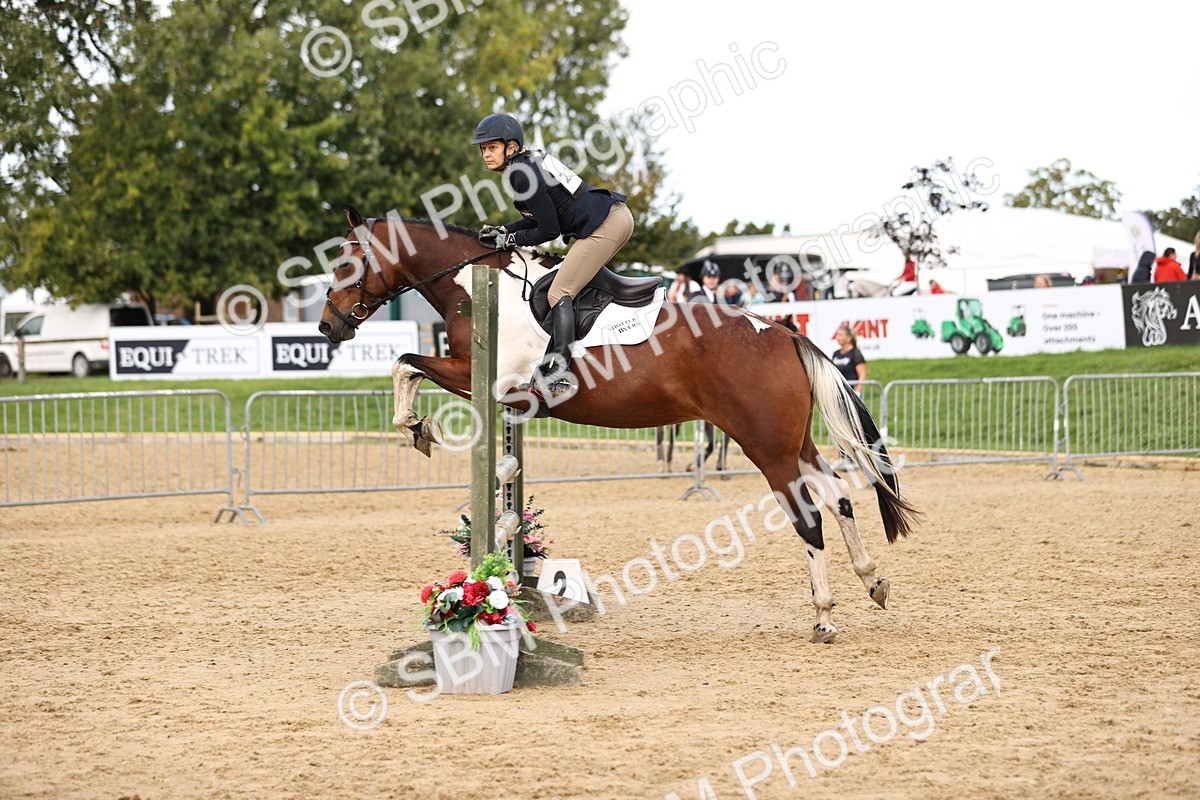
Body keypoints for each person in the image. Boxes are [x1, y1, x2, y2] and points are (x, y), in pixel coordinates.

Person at [472, 113, 633, 397]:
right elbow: (538, 221)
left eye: (492, 147)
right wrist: (504, 230)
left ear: (511, 147)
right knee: (568, 285)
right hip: (612, 217)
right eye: (483, 148)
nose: (485, 154)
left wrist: (509, 238)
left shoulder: (522, 173)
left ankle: (558, 376)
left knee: (559, 292)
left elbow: (548, 231)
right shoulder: (524, 165)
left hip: (607, 223)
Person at [831, 325, 866, 395]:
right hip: (838, 393)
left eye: (840, 335)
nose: (837, 337)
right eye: (837, 335)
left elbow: (862, 375)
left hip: (852, 393)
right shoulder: (836, 354)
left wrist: (858, 392)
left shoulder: (855, 353)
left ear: (849, 338)